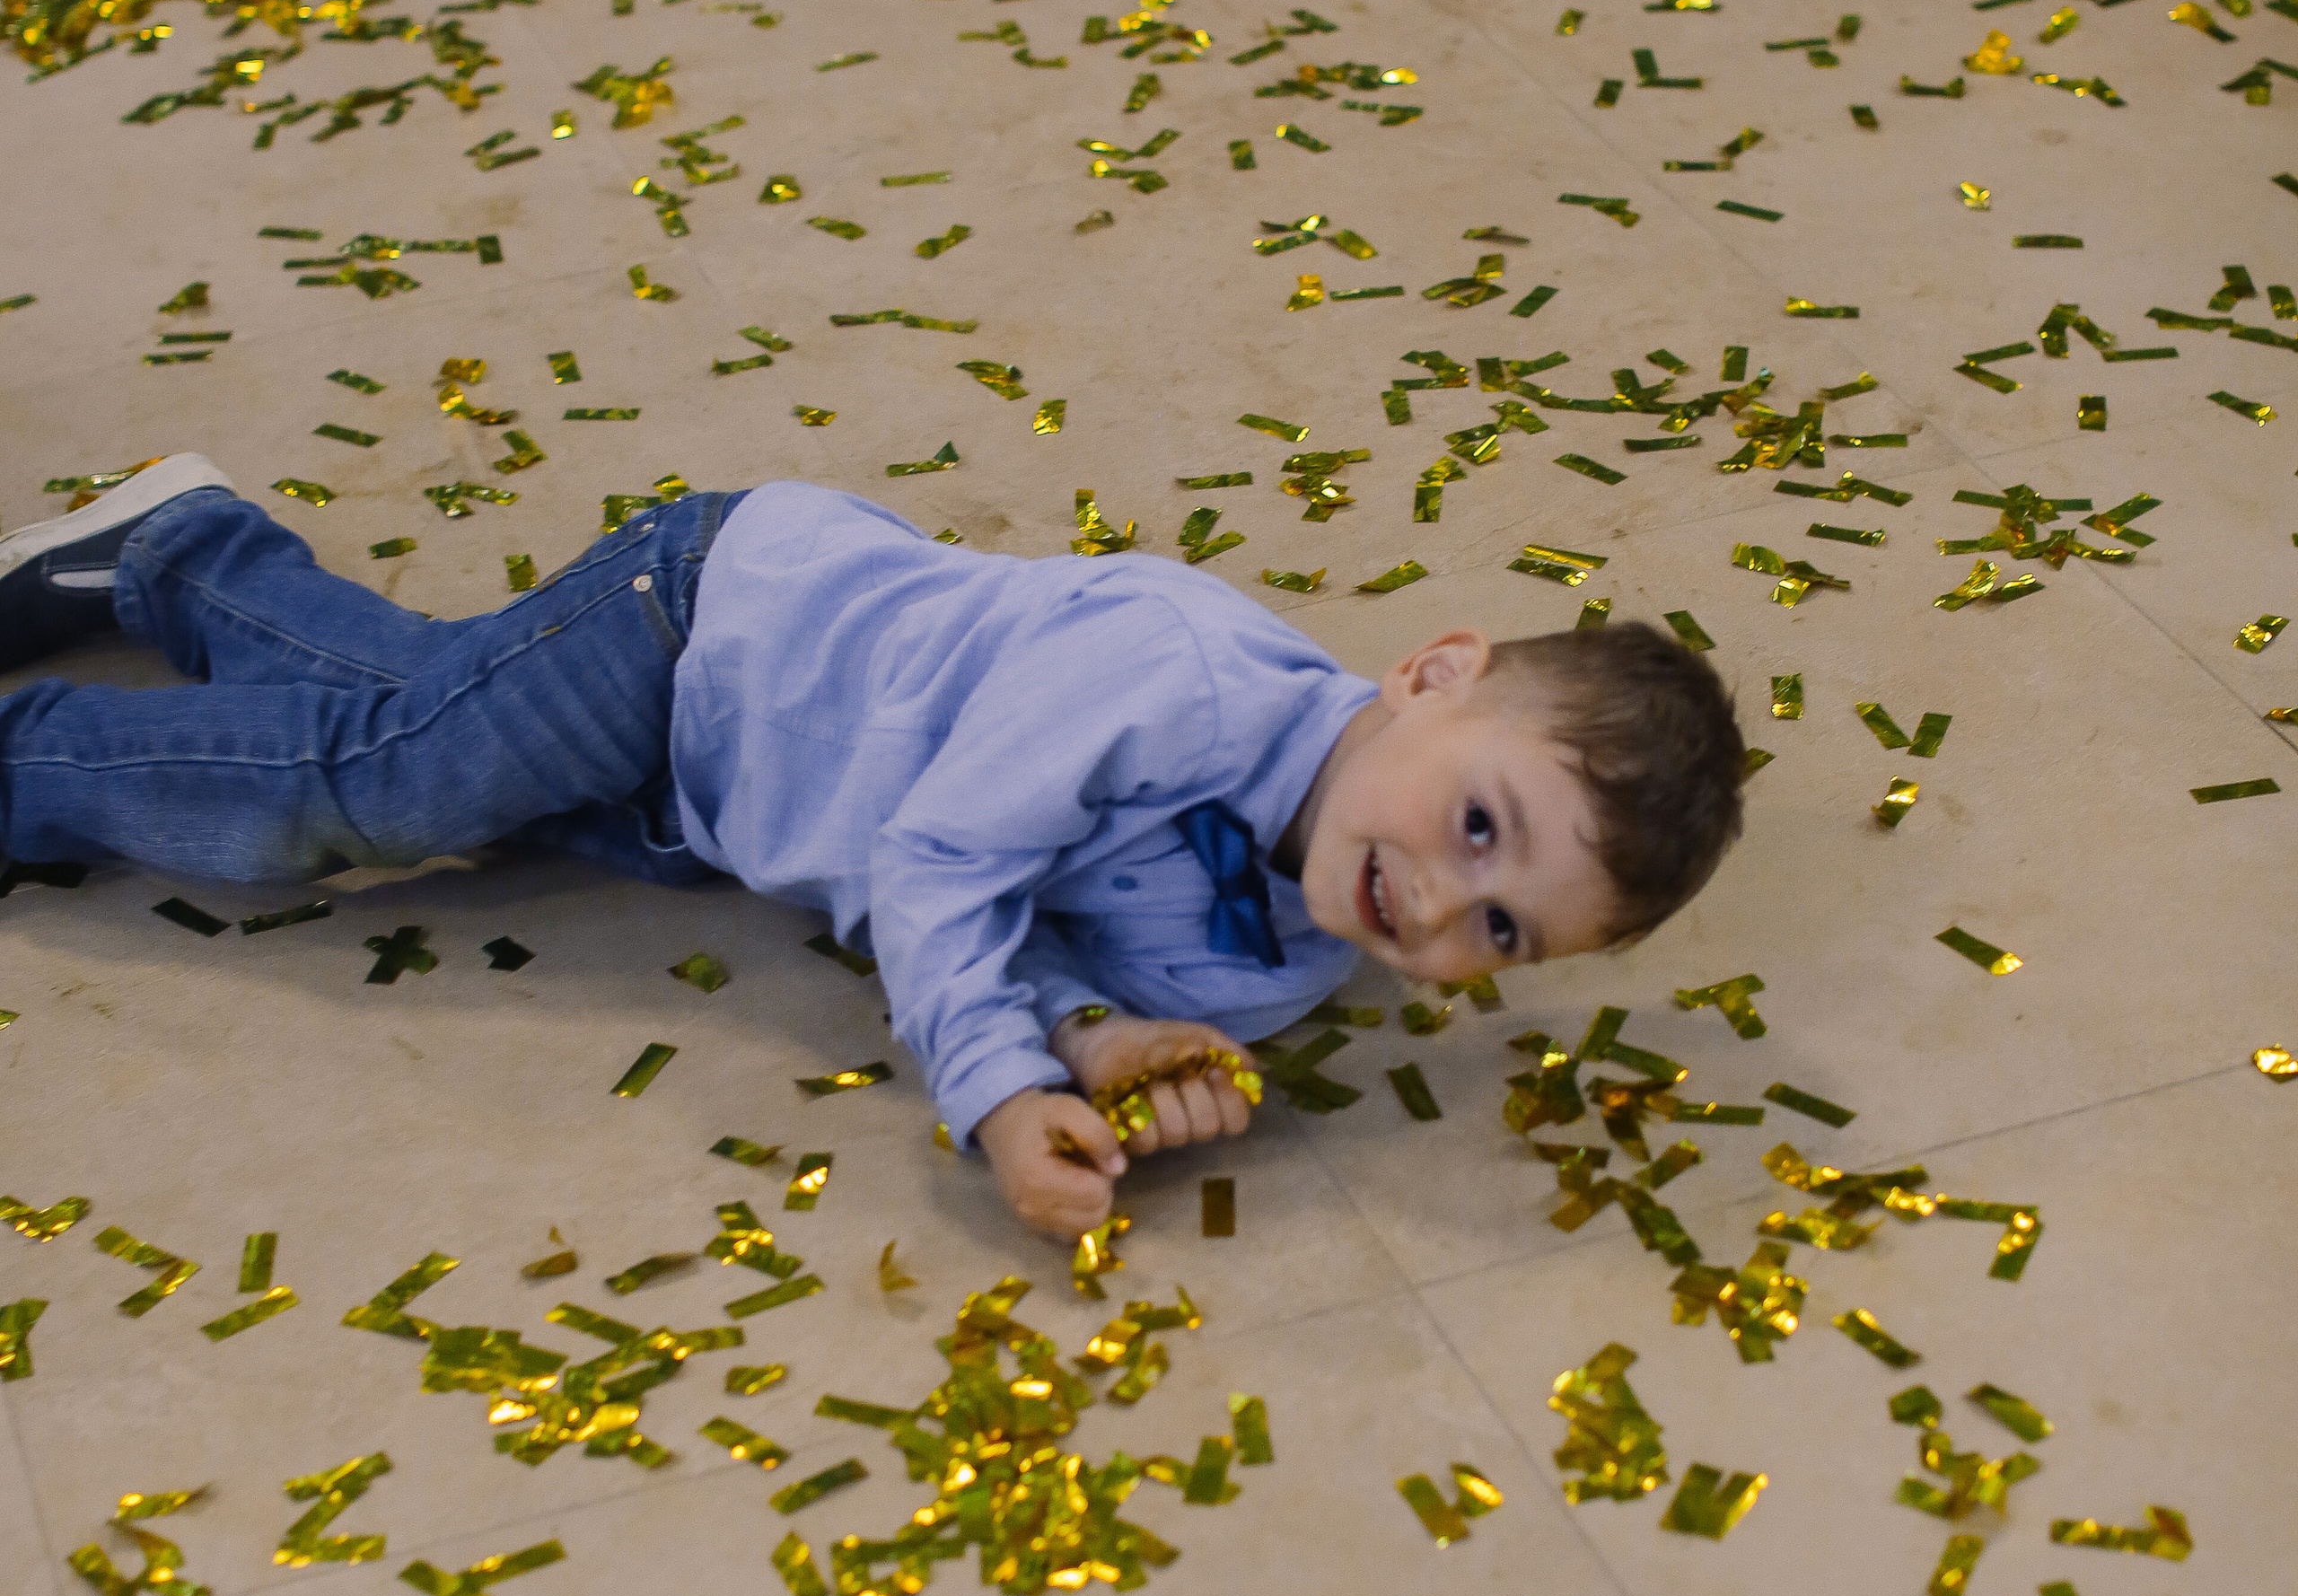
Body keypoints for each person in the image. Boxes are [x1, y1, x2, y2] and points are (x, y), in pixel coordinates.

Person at [0, 459, 1746, 1238]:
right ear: (1430, 675)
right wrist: (992, 1090)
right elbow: (936, 870)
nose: (1437, 904)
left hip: (730, 811)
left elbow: (1042, 944)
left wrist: (1104, 1045)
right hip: (709, 634)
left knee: (399, 713)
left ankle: (186, 550)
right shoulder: (1171, 676)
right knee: (377, 793)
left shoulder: (1293, 961)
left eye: (1501, 933)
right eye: (1471, 824)